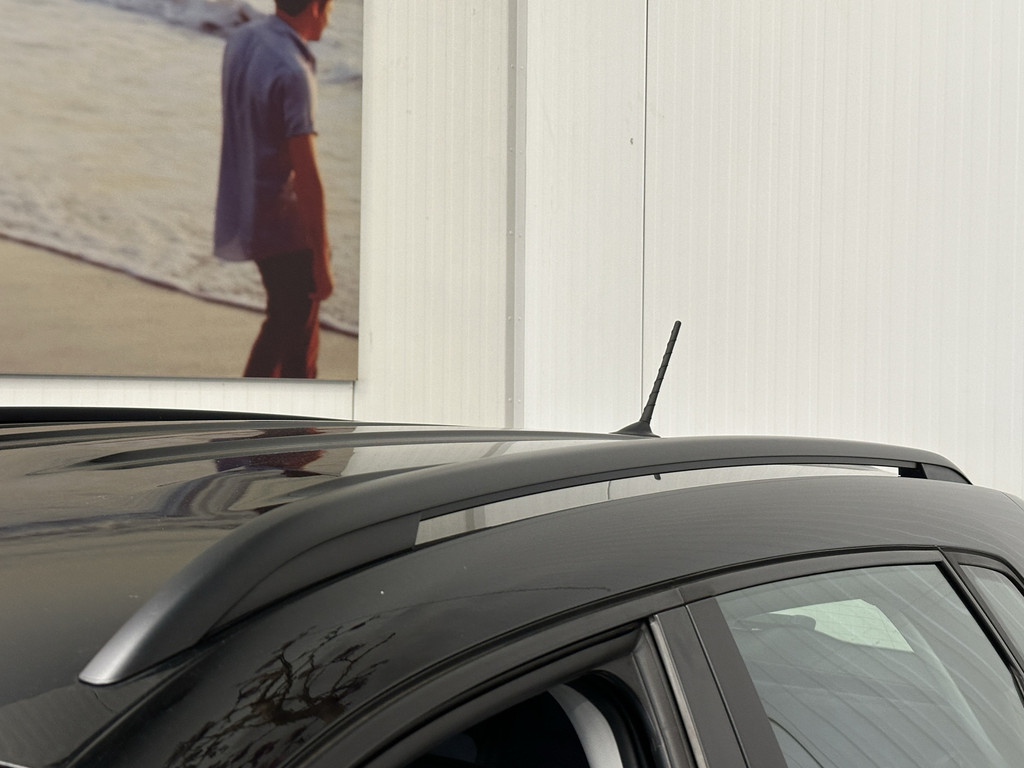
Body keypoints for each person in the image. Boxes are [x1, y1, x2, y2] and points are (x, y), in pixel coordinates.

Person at [214, 0, 334, 378]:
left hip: (246, 208)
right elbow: (307, 174)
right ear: (314, 7)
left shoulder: (242, 39)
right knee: (293, 343)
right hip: (283, 224)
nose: (330, 16)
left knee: (285, 324)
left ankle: (254, 409)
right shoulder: (293, 70)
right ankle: (258, 410)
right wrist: (321, 256)